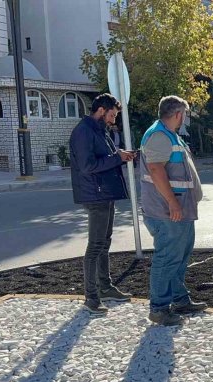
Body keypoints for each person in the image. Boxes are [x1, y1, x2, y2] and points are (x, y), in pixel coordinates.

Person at [140, 95, 206, 326]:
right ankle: (158, 308)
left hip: (179, 211)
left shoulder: (169, 135)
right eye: (184, 115)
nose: (184, 119)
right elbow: (156, 170)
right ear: (178, 114)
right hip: (167, 212)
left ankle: (179, 300)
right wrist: (172, 202)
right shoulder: (159, 135)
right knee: (167, 258)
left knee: (179, 257)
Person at [69, 93, 136, 316]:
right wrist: (118, 158)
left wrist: (121, 155)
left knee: (104, 243)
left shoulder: (98, 130)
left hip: (104, 193)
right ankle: (91, 297)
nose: (113, 120)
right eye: (112, 115)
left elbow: (106, 156)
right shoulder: (83, 132)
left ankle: (105, 287)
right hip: (95, 195)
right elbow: (87, 166)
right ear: (101, 111)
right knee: (95, 246)